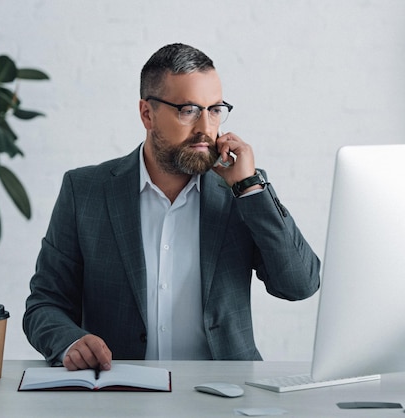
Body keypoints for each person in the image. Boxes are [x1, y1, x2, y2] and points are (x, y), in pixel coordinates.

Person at [23, 43, 320, 372]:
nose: (206, 127)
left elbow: (300, 284)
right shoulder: (85, 191)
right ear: (147, 114)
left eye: (215, 109)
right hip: (119, 394)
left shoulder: (241, 191)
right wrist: (69, 341)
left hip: (225, 396)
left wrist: (249, 188)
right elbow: (45, 303)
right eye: (189, 110)